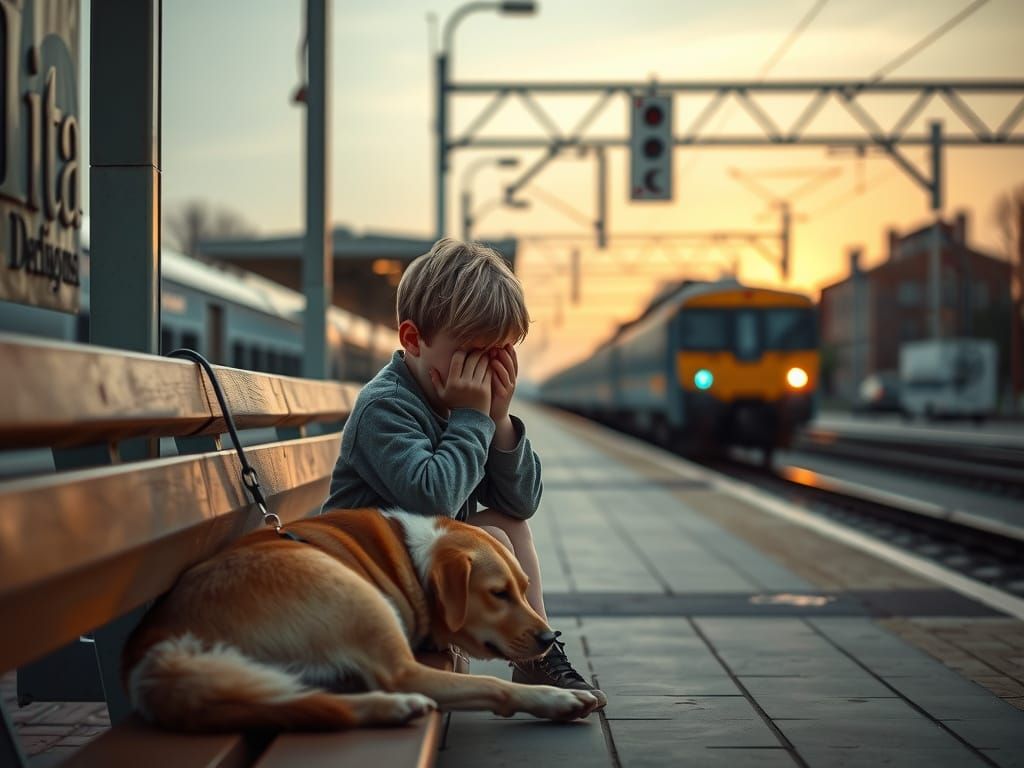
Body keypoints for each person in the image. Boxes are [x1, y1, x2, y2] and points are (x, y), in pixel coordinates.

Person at [322, 238, 606, 706]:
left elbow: (521, 501)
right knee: (494, 535)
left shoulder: (464, 407)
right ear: (413, 340)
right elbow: (434, 501)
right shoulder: (385, 406)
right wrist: (472, 418)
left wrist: (498, 422)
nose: (485, 370)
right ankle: (531, 656)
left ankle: (536, 658)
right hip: (369, 583)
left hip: (412, 573)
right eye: (472, 354)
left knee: (509, 524)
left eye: (500, 355)